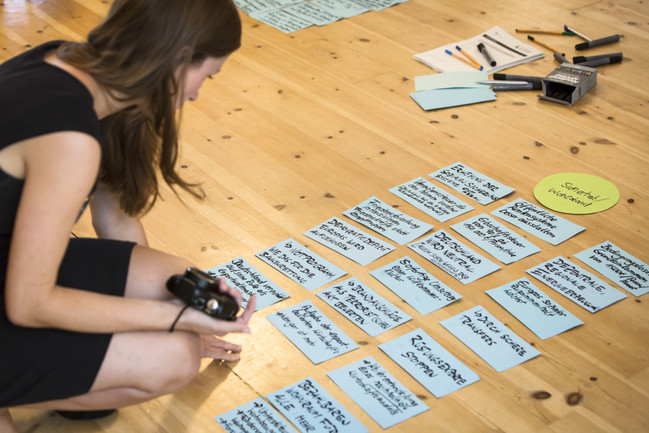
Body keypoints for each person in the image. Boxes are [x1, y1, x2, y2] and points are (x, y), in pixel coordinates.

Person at [0, 0, 256, 431]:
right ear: (177, 57)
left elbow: (116, 224)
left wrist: (172, 318)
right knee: (175, 357)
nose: (195, 94)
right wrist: (173, 322)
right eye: (205, 76)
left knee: (175, 283)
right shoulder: (68, 138)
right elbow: (30, 304)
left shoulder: (70, 62)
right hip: (18, 293)